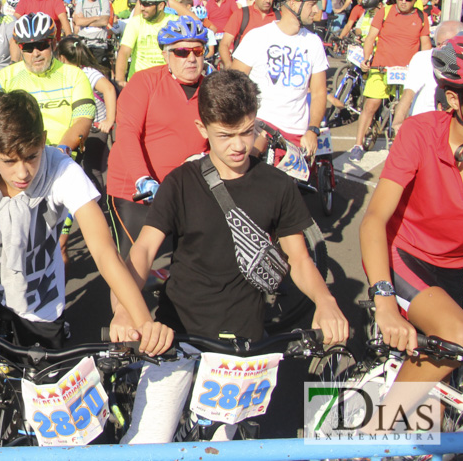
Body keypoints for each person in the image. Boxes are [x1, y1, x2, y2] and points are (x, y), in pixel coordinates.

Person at [0, 90, 171, 449]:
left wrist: (143, 321)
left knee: (46, 404)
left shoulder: (62, 167)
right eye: (8, 161)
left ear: (43, 142)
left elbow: (104, 250)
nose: (22, 172)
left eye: (31, 157)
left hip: (37, 292)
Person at [115, 70, 348, 443]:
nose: (239, 146)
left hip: (244, 340)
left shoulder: (277, 185)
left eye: (247, 131)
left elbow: (300, 259)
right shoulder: (181, 181)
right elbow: (143, 250)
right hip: (177, 331)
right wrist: (125, 308)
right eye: (225, 135)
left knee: (225, 447)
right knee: (148, 442)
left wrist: (326, 301)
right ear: (202, 128)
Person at [359, 37, 463, 420]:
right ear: (454, 101)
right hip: (404, 258)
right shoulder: (421, 133)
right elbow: (374, 219)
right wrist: (385, 299)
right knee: (459, 337)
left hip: (456, 267)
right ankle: (376, 427)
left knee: (440, 419)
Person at [105, 16, 210, 255]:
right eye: (182, 52)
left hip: (186, 191)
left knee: (192, 268)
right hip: (136, 192)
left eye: (198, 50)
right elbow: (128, 132)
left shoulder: (212, 89)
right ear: (166, 55)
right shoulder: (145, 81)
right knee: (133, 269)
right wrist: (142, 178)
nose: (191, 58)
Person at [232, 0, 328, 157]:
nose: (316, 10)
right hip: (260, 128)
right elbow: (234, 83)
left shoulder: (314, 43)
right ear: (293, 3)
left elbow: (319, 92)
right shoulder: (258, 37)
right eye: (312, 4)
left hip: (297, 135)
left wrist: (313, 130)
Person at [0, 14, 94, 159]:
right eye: (28, 48)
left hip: (58, 155)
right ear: (20, 48)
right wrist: (0, 145)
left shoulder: (75, 76)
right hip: (15, 154)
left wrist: (61, 150)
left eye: (42, 45)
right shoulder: (6, 76)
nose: (36, 53)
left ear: (54, 44)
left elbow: (83, 120)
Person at [349, 0, 431, 161]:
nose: (403, 1)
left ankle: (401, 142)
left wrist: (426, 67)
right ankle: (358, 143)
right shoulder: (385, 12)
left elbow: (425, 44)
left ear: (414, 0)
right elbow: (371, 37)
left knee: (407, 108)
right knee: (371, 105)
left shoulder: (421, 17)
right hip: (381, 67)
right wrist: (366, 59)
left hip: (407, 71)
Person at [393, 20, 463, 134]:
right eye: (438, 44)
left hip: (453, 129)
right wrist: (398, 122)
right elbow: (408, 92)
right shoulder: (422, 58)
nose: (441, 49)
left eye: (447, 45)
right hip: (422, 126)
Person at [114, 0, 171, 87]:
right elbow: (124, 52)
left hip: (164, 83)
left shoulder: (173, 22)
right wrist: (119, 80)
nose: (141, 8)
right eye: (141, 3)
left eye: (146, 4)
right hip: (139, 83)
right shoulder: (136, 22)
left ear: (160, 5)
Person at [219, 0, 276, 70]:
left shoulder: (279, 17)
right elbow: (224, 44)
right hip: (244, 71)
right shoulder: (241, 14)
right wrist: (229, 66)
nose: (267, 0)